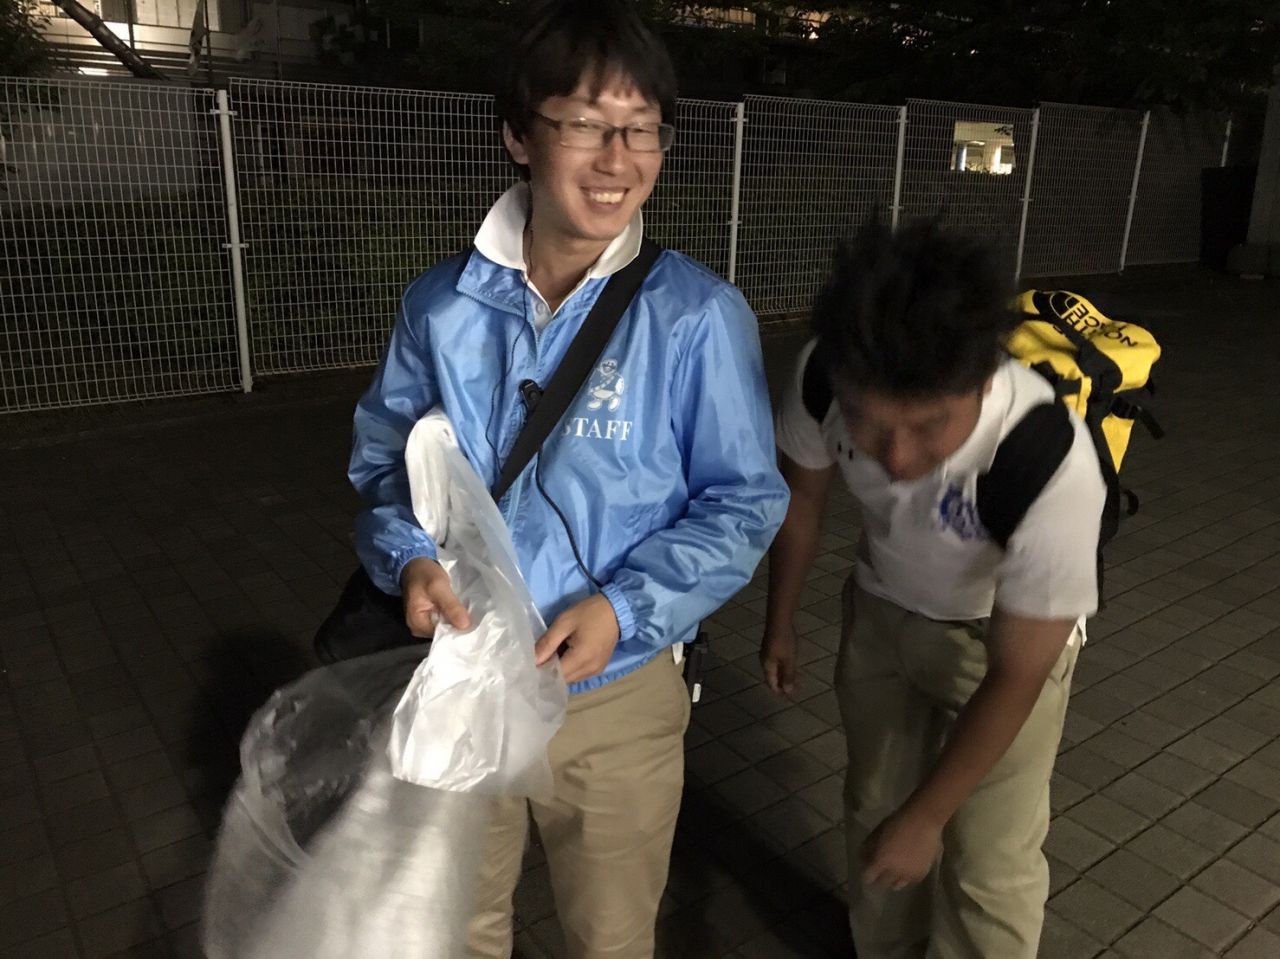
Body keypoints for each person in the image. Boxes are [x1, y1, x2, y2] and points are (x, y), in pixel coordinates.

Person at [348, 2, 790, 956]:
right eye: (586, 124)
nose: (617, 158)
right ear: (519, 135)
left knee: (611, 938)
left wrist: (625, 611)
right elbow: (386, 458)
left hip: (615, 694)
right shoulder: (440, 305)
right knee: (456, 927)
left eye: (643, 129)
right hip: (464, 673)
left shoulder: (697, 316)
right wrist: (409, 560)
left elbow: (745, 501)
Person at [760, 219, 1106, 958]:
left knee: (989, 858)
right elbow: (803, 497)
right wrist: (779, 619)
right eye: (870, 425)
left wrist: (928, 818)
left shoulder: (1051, 458)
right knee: (874, 811)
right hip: (882, 612)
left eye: (927, 427)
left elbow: (1018, 673)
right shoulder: (826, 371)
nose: (896, 457)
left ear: (984, 381)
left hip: (995, 642)